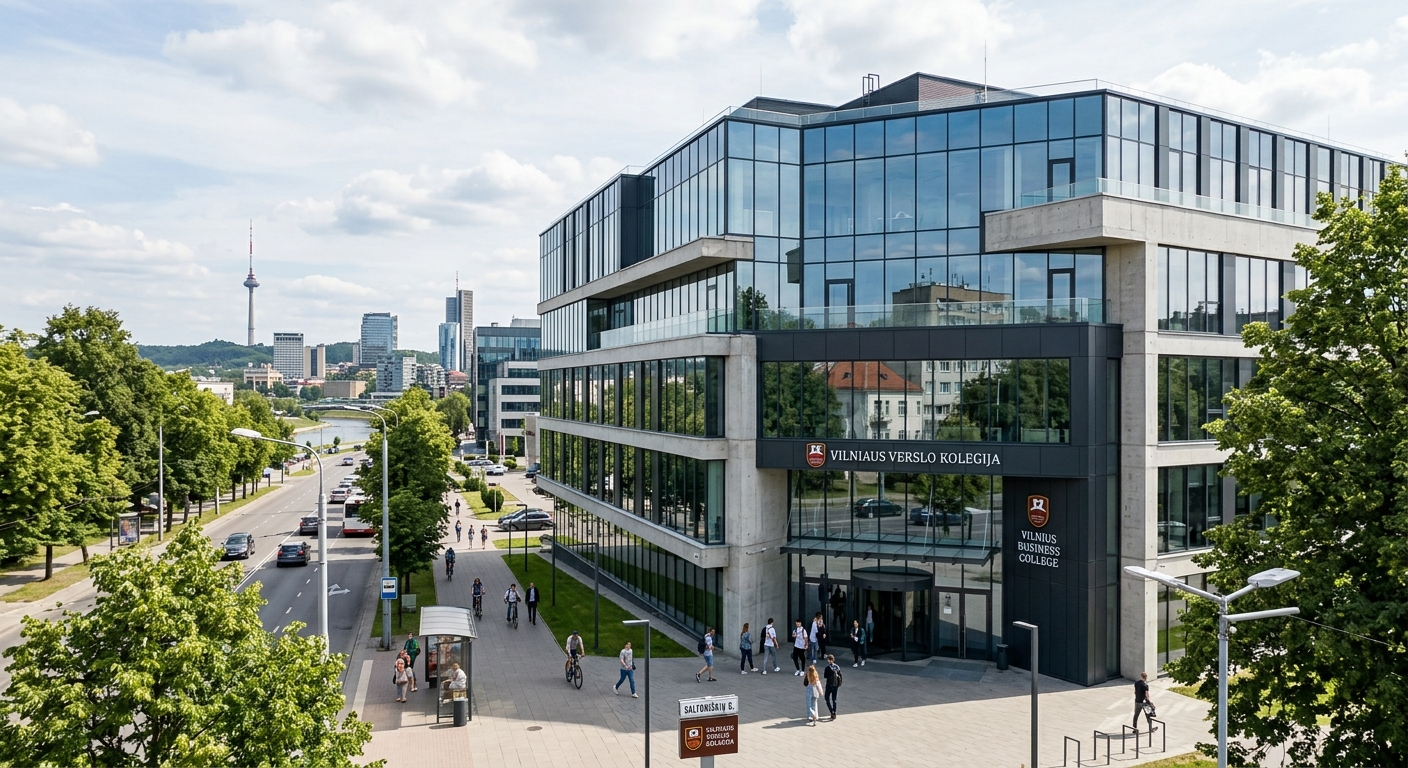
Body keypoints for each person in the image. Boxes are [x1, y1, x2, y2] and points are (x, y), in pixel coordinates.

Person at [823, 654, 842, 720]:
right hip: (836, 686)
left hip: (829, 685)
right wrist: (839, 684)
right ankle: (835, 711)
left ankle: (832, 711)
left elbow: (825, 676)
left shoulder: (827, 668)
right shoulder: (837, 667)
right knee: (834, 699)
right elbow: (840, 676)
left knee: (827, 698)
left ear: (828, 660)